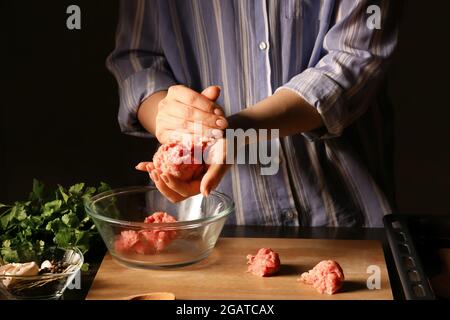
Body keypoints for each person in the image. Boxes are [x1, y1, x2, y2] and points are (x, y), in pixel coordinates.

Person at [106, 0, 402, 227]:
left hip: (341, 213)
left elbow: (356, 57)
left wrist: (239, 132)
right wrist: (169, 117)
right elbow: (137, 59)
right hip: (203, 223)